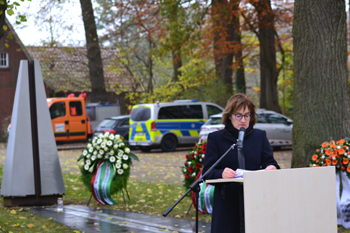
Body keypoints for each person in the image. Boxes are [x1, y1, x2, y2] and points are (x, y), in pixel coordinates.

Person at [202, 93, 280, 233]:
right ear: (230, 115)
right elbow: (207, 172)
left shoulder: (259, 137)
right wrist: (221, 173)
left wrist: (272, 167)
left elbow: (270, 162)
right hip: (227, 205)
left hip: (256, 202)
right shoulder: (216, 139)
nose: (243, 120)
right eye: (238, 115)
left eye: (247, 115)